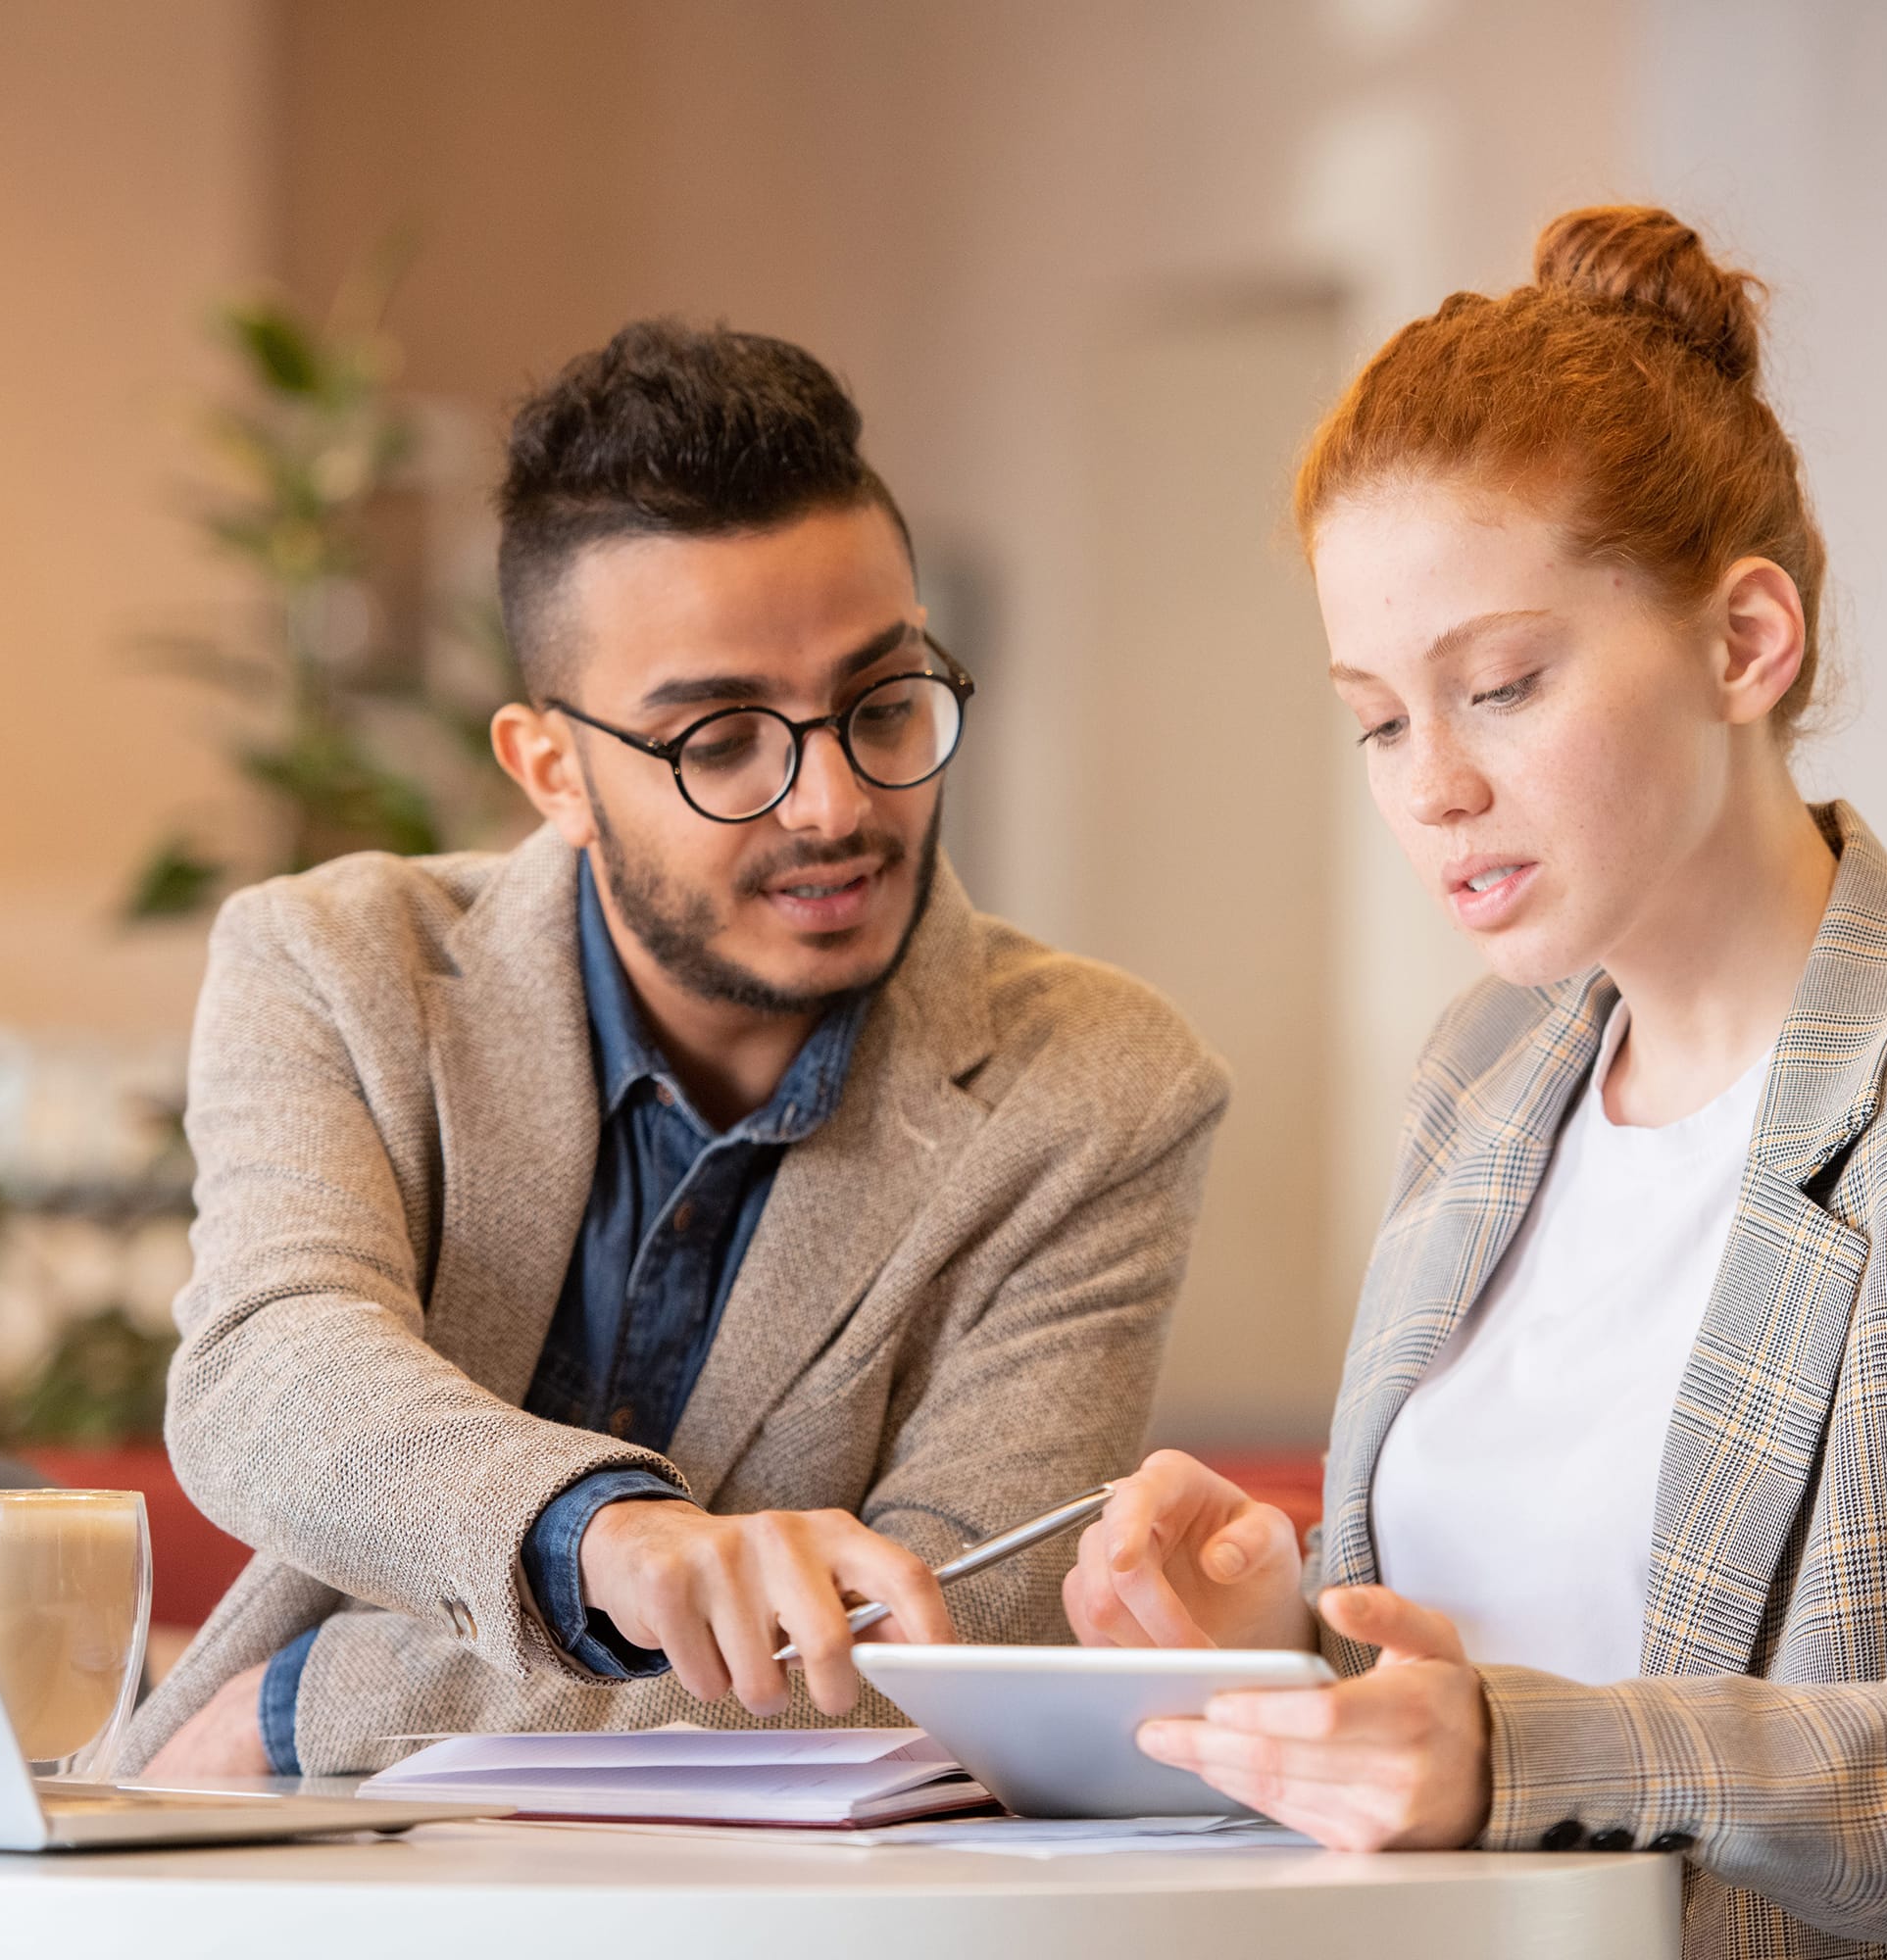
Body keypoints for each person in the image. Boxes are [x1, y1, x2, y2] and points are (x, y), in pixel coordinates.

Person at [1066, 208, 1887, 1957]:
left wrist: (1521, 1753)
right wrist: (1284, 1641)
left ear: (1744, 643)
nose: (1432, 788)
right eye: (1381, 719)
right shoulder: (1482, 1078)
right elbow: (1482, 1706)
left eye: (1503, 686)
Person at [129, 320, 1228, 1780]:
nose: (834, 802)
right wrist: (605, 1540)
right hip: (301, 1882)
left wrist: (313, 1704)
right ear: (553, 772)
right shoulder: (340, 966)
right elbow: (272, 1370)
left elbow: (958, 1642)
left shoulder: (1098, 1088)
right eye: (720, 741)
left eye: (883, 705)